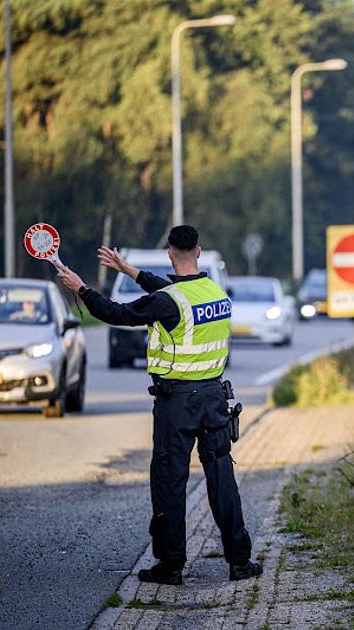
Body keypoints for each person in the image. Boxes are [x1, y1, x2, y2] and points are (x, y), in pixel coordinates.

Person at [54, 225, 261, 585]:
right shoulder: (214, 291)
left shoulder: (170, 302)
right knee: (222, 479)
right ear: (198, 251)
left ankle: (171, 565)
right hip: (214, 398)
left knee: (169, 482)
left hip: (177, 403)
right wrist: (128, 270)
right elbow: (169, 292)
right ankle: (240, 562)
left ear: (169, 253)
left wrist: (81, 289)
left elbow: (119, 314)